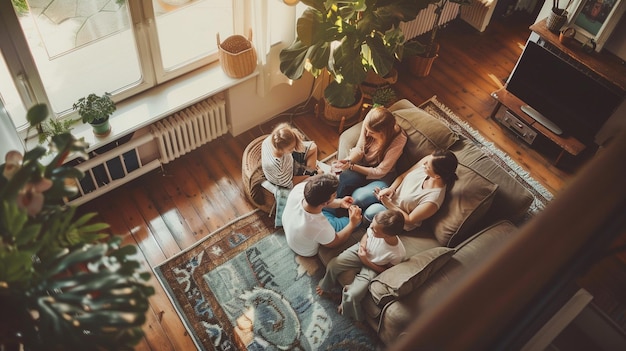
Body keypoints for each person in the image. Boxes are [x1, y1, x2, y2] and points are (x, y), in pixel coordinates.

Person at [316, 209, 406, 321]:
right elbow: (367, 234)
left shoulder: (397, 253)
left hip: (373, 266)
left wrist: (366, 261)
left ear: (387, 236)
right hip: (362, 251)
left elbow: (386, 271)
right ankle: (326, 285)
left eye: (375, 230)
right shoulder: (375, 228)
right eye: (372, 225)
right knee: (333, 264)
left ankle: (349, 309)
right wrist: (363, 245)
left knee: (353, 295)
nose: (371, 229)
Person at [363, 149, 458, 231]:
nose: (424, 163)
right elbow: (403, 176)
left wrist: (388, 204)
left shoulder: (433, 200)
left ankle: (355, 224)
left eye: (427, 166)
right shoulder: (429, 161)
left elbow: (410, 219)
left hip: (396, 218)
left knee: (372, 211)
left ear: (437, 176)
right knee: (360, 197)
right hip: (389, 196)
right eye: (427, 160)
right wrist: (391, 189)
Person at [334, 107, 407, 211]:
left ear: (383, 133)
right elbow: (360, 149)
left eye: (372, 133)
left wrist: (352, 166)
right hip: (364, 166)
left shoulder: (398, 140)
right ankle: (330, 208)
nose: (367, 134)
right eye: (367, 130)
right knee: (339, 179)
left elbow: (380, 171)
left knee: (358, 198)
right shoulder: (370, 121)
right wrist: (349, 160)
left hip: (381, 177)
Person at [282, 174, 363, 257]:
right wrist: (352, 224)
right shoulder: (320, 226)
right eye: (334, 195)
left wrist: (339, 202)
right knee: (357, 221)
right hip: (305, 250)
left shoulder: (299, 189)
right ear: (325, 203)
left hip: (295, 229)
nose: (336, 195)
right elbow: (335, 242)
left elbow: (321, 203)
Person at [261, 122, 320, 189]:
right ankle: (311, 172)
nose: (293, 149)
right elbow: (290, 182)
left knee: (313, 147)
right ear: (281, 149)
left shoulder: (272, 139)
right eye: (291, 148)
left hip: (288, 160)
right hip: (287, 178)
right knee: (316, 178)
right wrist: (311, 175)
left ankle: (310, 170)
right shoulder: (278, 165)